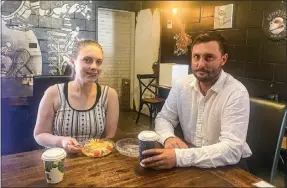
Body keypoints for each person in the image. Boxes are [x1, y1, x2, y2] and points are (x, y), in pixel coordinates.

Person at [141, 32, 252, 170]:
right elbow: (164, 118)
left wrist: (179, 158)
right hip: (191, 159)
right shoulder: (182, 85)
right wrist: (168, 138)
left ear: (223, 59)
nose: (200, 64)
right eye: (196, 57)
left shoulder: (236, 92)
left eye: (209, 57)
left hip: (228, 166)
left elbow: (231, 149)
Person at [34, 40, 119, 153]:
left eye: (99, 62)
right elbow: (40, 135)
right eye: (87, 60)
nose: (94, 67)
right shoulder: (53, 93)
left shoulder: (109, 95)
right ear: (72, 61)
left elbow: (109, 139)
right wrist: (62, 141)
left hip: (94, 160)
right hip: (60, 159)